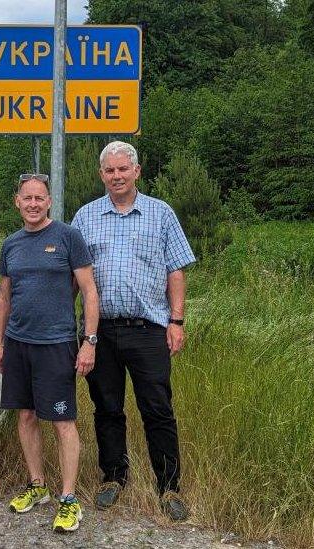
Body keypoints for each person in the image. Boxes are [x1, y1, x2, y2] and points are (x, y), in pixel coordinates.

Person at [71, 141, 196, 521]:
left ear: (137, 171)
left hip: (149, 329)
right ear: (101, 175)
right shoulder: (85, 217)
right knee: (107, 408)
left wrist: (177, 321)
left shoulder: (161, 214)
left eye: (123, 169)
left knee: (157, 408)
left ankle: (169, 486)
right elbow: (74, 278)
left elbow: (176, 269)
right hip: (100, 333)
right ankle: (113, 476)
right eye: (109, 171)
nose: (117, 176)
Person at [0, 174, 100, 533]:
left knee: (62, 421)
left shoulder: (68, 236)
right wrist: (0, 343)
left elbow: (88, 292)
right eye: (28, 198)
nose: (34, 204)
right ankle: (37, 485)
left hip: (56, 344)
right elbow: (5, 297)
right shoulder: (10, 245)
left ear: (49, 201)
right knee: (25, 417)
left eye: (40, 198)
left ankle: (69, 500)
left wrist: (90, 340)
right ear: (17, 202)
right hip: (18, 343)